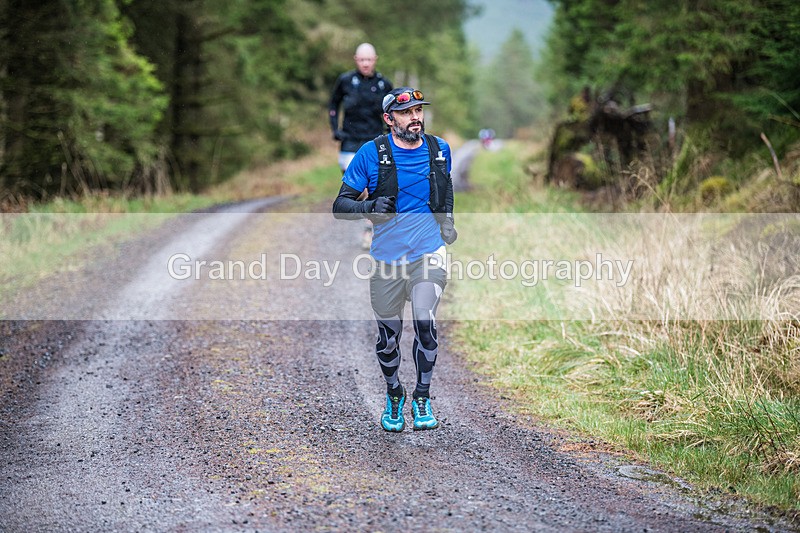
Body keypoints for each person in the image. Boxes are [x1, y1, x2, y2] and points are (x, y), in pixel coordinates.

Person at [332, 87, 457, 432]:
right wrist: (368, 206)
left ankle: (422, 397)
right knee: (389, 338)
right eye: (406, 113)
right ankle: (394, 394)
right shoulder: (371, 154)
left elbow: (445, 187)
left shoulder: (439, 149)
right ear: (389, 119)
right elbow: (340, 205)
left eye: (418, 111)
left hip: (428, 252)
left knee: (424, 321)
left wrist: (447, 220)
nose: (415, 117)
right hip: (387, 259)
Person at [329, 43, 393, 249]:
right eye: (362, 60)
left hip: (374, 140)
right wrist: (335, 129)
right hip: (350, 140)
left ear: (375, 60)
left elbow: (394, 111)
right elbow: (333, 104)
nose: (365, 63)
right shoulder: (345, 81)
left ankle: (369, 229)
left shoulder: (384, 84)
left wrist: (392, 132)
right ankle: (369, 216)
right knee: (354, 185)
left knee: (371, 186)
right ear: (356, 59)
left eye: (369, 60)